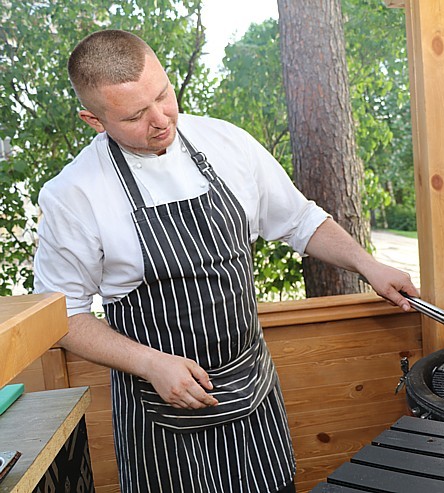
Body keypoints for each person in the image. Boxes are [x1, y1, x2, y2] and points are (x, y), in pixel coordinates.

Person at [33, 29, 419, 493]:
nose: (160, 119)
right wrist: (151, 363)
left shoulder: (225, 142)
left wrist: (367, 265)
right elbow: (65, 318)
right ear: (94, 120)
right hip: (161, 412)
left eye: (163, 95)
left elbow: (298, 220)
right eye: (136, 115)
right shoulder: (72, 195)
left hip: (254, 393)